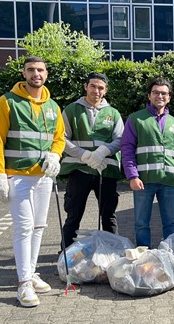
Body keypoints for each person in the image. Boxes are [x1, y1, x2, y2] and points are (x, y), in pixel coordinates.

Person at [0, 56, 65, 307]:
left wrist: (55, 154)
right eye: (31, 70)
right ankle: (23, 284)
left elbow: (59, 137)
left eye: (40, 70)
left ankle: (31, 275)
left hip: (42, 178)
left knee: (39, 227)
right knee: (24, 227)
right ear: (23, 73)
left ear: (47, 73)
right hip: (17, 176)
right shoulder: (7, 102)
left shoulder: (52, 105)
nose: (36, 74)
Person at [59, 72, 124, 250]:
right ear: (86, 86)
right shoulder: (72, 110)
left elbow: (120, 139)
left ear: (106, 90)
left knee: (109, 215)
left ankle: (113, 252)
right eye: (93, 86)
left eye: (101, 87)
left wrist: (103, 151)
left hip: (106, 171)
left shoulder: (113, 113)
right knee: (73, 215)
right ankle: (65, 255)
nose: (97, 90)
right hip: (80, 169)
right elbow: (62, 138)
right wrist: (84, 156)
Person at [121, 78, 174, 248]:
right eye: (156, 92)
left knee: (171, 223)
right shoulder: (136, 119)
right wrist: (132, 176)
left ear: (169, 97)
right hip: (144, 180)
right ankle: (144, 256)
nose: (160, 96)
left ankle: (172, 255)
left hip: (170, 181)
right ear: (149, 96)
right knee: (142, 223)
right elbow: (127, 148)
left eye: (164, 93)